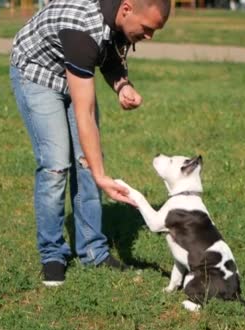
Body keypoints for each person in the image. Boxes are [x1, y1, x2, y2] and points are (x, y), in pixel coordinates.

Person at [9, 0, 170, 286]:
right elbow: (85, 113)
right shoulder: (82, 27)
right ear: (127, 9)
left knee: (87, 161)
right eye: (147, 29)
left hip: (73, 68)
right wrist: (101, 176)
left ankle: (93, 251)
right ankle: (52, 255)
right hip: (38, 74)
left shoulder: (117, 20)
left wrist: (123, 85)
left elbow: (108, 55)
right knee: (56, 166)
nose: (149, 37)